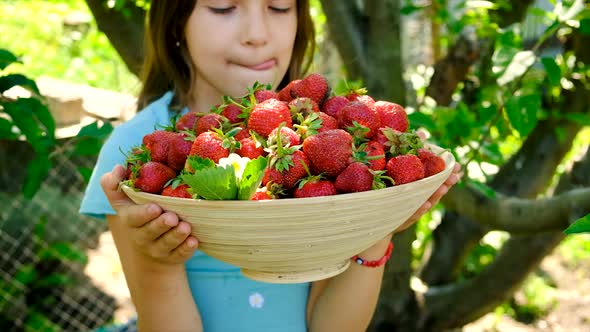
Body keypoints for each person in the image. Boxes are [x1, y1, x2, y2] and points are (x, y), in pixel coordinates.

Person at [80, 1, 461, 331]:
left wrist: (377, 224)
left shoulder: (322, 139)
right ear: (175, 19)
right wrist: (156, 262)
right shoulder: (134, 156)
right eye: (223, 8)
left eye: (280, 7)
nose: (257, 34)